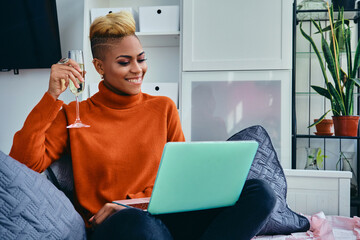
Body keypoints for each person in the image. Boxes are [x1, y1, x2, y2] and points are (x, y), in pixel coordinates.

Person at [9, 11, 276, 240]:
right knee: (138, 224)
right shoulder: (73, 114)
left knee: (261, 192)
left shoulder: (163, 107)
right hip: (119, 226)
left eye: (141, 58)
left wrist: (134, 204)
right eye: (124, 62)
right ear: (99, 67)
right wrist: (51, 97)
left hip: (160, 214)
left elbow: (180, 179)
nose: (137, 69)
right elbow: (23, 166)